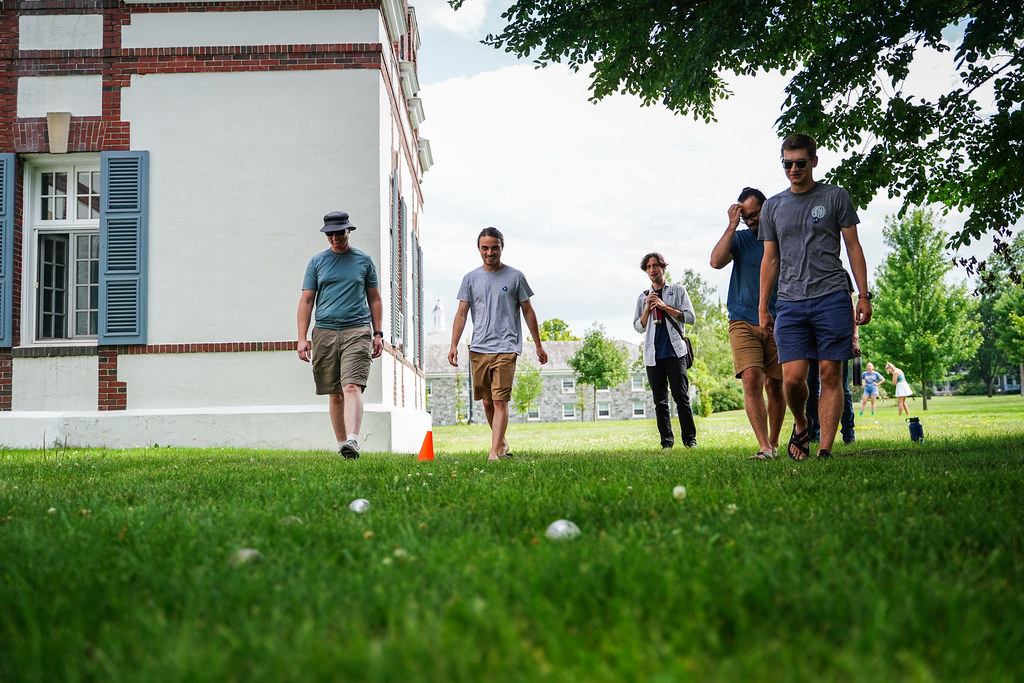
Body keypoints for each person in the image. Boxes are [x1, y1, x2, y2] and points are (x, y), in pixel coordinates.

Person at [758, 134, 873, 460]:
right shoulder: (773, 206)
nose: (794, 169)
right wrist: (762, 306)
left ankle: (824, 449)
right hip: (790, 302)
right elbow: (770, 259)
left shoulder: (835, 196)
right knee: (792, 380)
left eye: (800, 163)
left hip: (831, 296)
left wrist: (863, 295)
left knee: (829, 374)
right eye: (787, 164)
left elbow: (853, 247)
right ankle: (802, 423)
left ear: (814, 161)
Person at [448, 227, 548, 461]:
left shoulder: (515, 277)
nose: (490, 252)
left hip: (506, 346)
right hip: (479, 347)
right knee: (486, 401)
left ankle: (494, 452)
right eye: (485, 248)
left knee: (500, 399)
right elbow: (461, 313)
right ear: (479, 248)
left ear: (502, 248)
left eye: (494, 247)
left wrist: (538, 345)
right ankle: (501, 443)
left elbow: (528, 311)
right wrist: (453, 345)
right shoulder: (470, 279)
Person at [297, 210, 384, 459]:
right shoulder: (317, 262)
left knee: (351, 385)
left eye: (339, 232)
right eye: (330, 234)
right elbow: (306, 301)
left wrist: (378, 333)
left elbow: (374, 298)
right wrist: (302, 337)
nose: (335, 238)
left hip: (357, 329)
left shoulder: (364, 261)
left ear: (349, 231)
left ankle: (353, 441)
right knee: (335, 393)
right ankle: (342, 446)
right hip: (324, 331)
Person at [710, 187, 785, 460]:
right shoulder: (740, 239)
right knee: (752, 379)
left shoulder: (778, 240)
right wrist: (732, 225)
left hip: (778, 320)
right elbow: (716, 261)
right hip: (742, 319)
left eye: (755, 215)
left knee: (775, 385)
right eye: (746, 217)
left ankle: (774, 443)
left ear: (766, 210)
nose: (752, 221)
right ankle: (764, 446)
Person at [634, 252, 697, 449]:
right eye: (649, 267)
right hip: (653, 356)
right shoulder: (643, 297)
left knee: (681, 398)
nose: (652, 270)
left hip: (675, 353)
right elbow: (638, 327)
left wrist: (664, 306)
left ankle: (690, 440)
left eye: (655, 266)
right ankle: (667, 443)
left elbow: (690, 318)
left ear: (663, 268)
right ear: (646, 271)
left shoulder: (678, 291)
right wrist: (647, 308)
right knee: (660, 402)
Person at [806, 283, 859, 444]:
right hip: (810, 337)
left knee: (842, 386)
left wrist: (854, 336)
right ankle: (813, 433)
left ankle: (848, 433)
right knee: (811, 386)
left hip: (835, 334)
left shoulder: (841, 274)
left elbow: (850, 305)